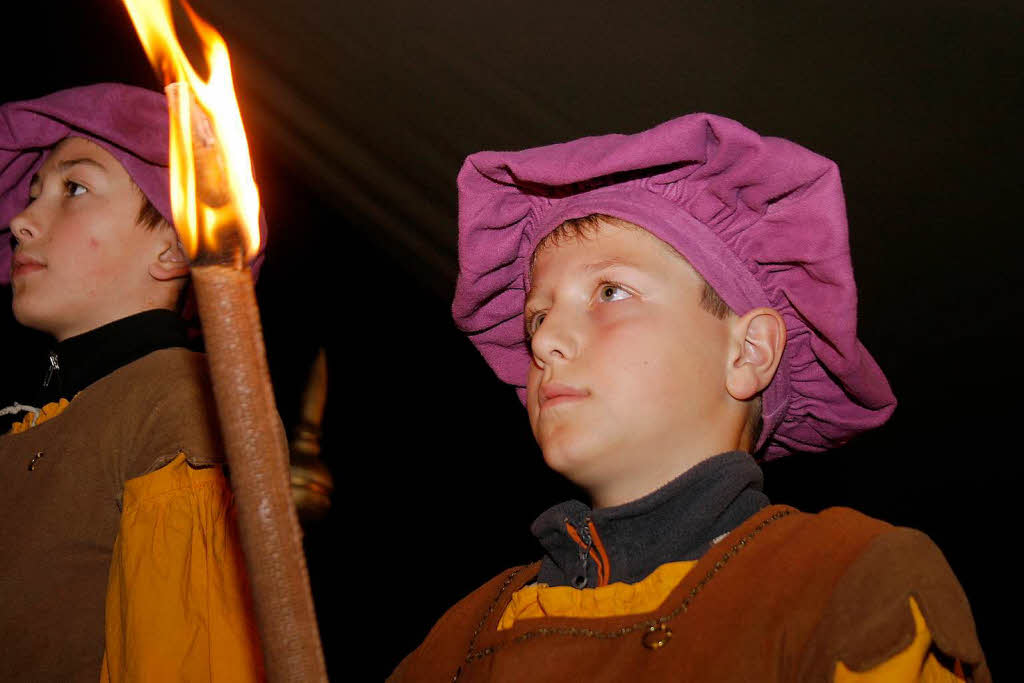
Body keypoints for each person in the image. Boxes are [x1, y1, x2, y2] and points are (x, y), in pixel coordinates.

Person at [391, 114, 989, 681]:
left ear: (748, 352)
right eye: (537, 317)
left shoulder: (845, 581)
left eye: (610, 291)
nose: (545, 340)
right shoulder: (461, 638)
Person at [0, 84, 265, 682]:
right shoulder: (38, 415)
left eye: (74, 189)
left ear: (172, 248)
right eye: (34, 191)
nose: (21, 219)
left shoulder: (177, 400)